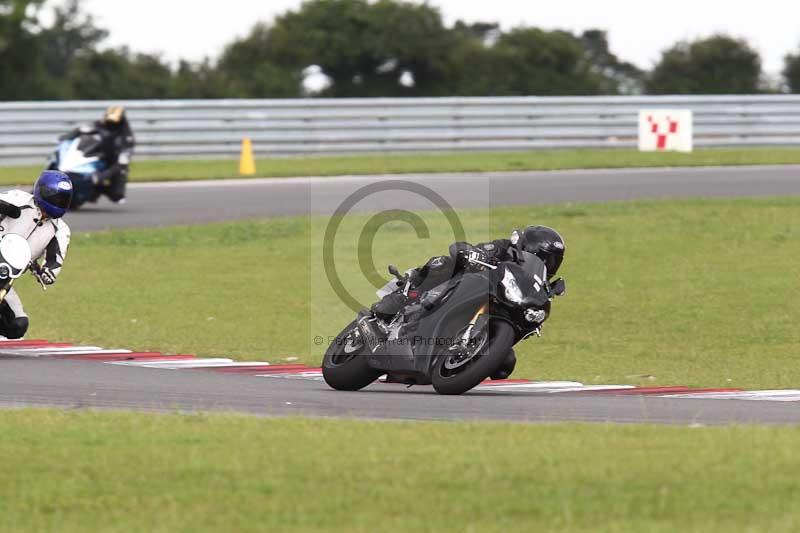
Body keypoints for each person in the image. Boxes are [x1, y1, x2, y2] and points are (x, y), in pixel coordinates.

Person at [370, 225, 566, 380]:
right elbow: (472, 249)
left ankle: (456, 359)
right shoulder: (505, 248)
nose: (548, 265)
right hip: (467, 287)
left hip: (496, 310)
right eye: (543, 257)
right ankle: (403, 294)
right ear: (527, 246)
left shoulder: (538, 287)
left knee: (505, 364)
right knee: (442, 263)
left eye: (551, 261)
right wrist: (474, 253)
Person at [0, 171, 72, 339]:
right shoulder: (18, 199)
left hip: (5, 277)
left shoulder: (60, 230)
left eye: (63, 199)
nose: (58, 202)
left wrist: (47, 273)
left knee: (18, 324)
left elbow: (55, 261)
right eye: (54, 197)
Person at [59, 106, 134, 204]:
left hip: (111, 162)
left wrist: (102, 176)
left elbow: (122, 161)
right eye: (108, 121)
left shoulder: (127, 138)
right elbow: (81, 129)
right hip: (96, 155)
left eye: (113, 122)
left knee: (118, 189)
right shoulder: (99, 124)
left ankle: (103, 190)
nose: (110, 124)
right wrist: (66, 137)